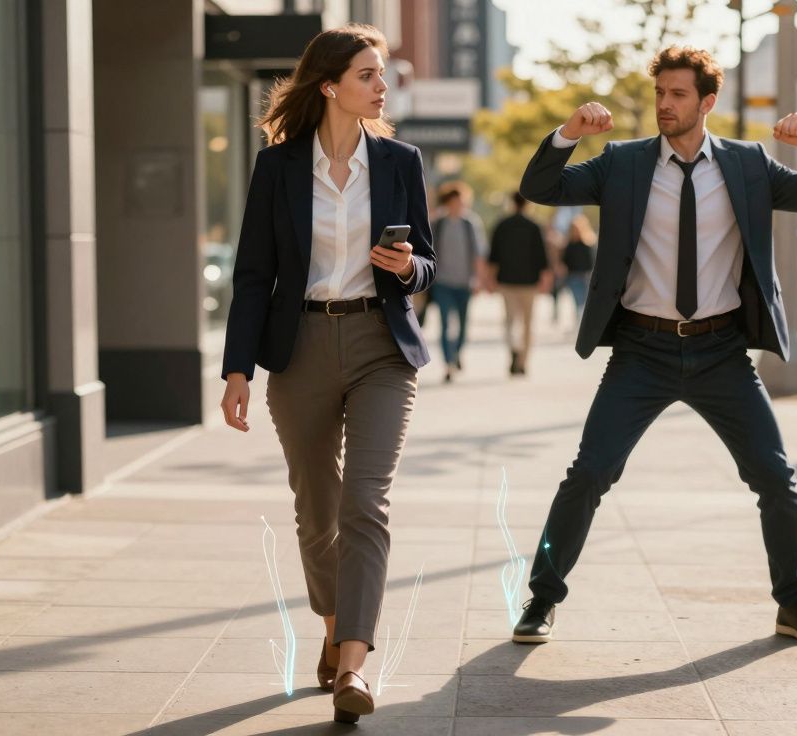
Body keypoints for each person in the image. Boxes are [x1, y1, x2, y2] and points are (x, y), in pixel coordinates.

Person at [511, 46, 797, 645]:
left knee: (775, 478)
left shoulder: (748, 165)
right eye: (659, 93)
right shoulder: (622, 163)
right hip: (642, 351)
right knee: (589, 474)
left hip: (722, 352)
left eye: (678, 94)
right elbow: (541, 187)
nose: (665, 104)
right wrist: (569, 133)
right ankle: (541, 599)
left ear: (707, 102)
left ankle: (795, 603)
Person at [218, 24, 434, 724]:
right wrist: (237, 369)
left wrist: (409, 266)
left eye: (381, 74)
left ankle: (354, 665)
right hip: (301, 345)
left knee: (364, 504)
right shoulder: (278, 167)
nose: (381, 85)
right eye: (368, 74)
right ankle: (335, 624)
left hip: (380, 345)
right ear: (330, 85)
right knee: (317, 511)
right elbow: (254, 275)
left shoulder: (400, 161)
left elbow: (427, 263)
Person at [488, 192, 552, 376]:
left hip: (506, 281)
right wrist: (545, 280)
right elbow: (542, 256)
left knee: (510, 321)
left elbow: (493, 256)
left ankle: (513, 349)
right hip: (529, 283)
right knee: (527, 323)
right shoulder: (534, 226)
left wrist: (490, 279)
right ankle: (523, 361)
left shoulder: (502, 225)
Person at [429, 181, 487, 382]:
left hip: (465, 283)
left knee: (463, 326)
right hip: (442, 282)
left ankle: (457, 353)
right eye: (454, 201)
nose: (458, 205)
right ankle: (448, 363)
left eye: (461, 202)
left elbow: (479, 254)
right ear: (447, 202)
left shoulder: (471, 223)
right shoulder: (438, 224)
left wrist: (478, 280)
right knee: (445, 324)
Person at [561, 213, 596, 320]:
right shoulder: (569, 245)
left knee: (583, 301)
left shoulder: (588, 244)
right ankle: (578, 320)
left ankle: (581, 320)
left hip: (584, 276)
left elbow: (592, 261)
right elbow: (565, 260)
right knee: (576, 300)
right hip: (572, 276)